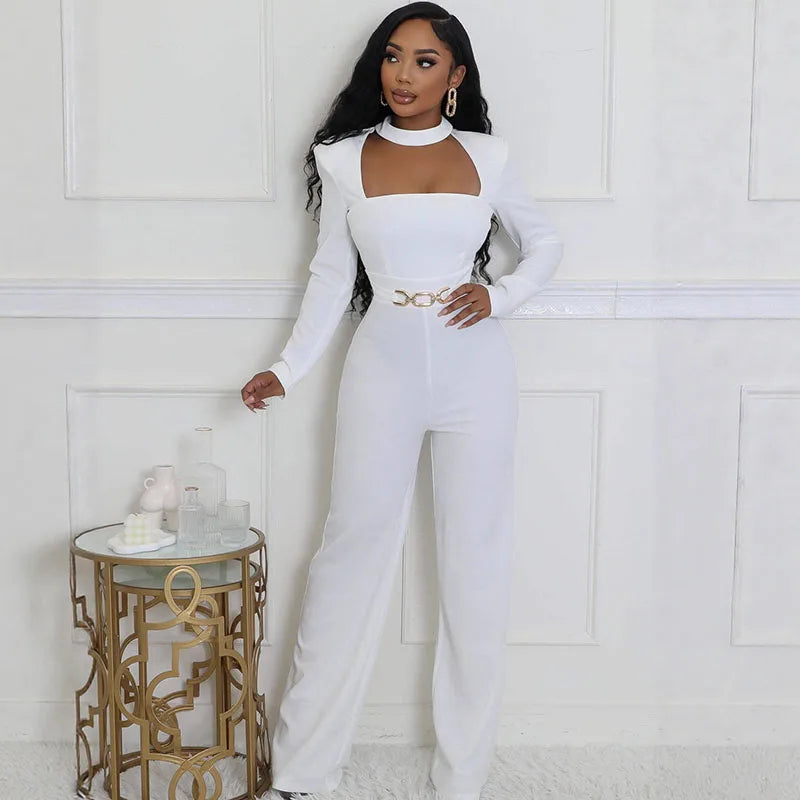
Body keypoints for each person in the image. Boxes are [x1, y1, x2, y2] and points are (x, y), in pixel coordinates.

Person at [240, 4, 564, 798]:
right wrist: (287, 367)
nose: (404, 75)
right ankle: (306, 771)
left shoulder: (488, 156)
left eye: (426, 62)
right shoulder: (345, 159)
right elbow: (327, 278)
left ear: (455, 78)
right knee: (351, 551)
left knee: (475, 562)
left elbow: (547, 241)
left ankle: (464, 777)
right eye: (393, 57)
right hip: (381, 362)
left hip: (476, 372)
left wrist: (503, 295)